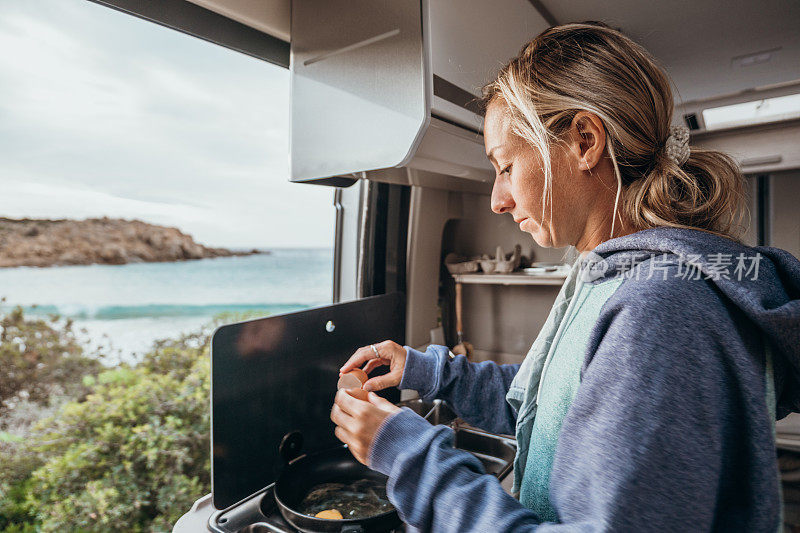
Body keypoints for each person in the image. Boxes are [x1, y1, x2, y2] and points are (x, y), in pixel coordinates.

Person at [330, 22, 800, 532]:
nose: (497, 199)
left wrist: (410, 458)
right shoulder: (608, 276)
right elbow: (554, 406)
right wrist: (430, 371)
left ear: (584, 140)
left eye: (505, 165)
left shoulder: (660, 308)